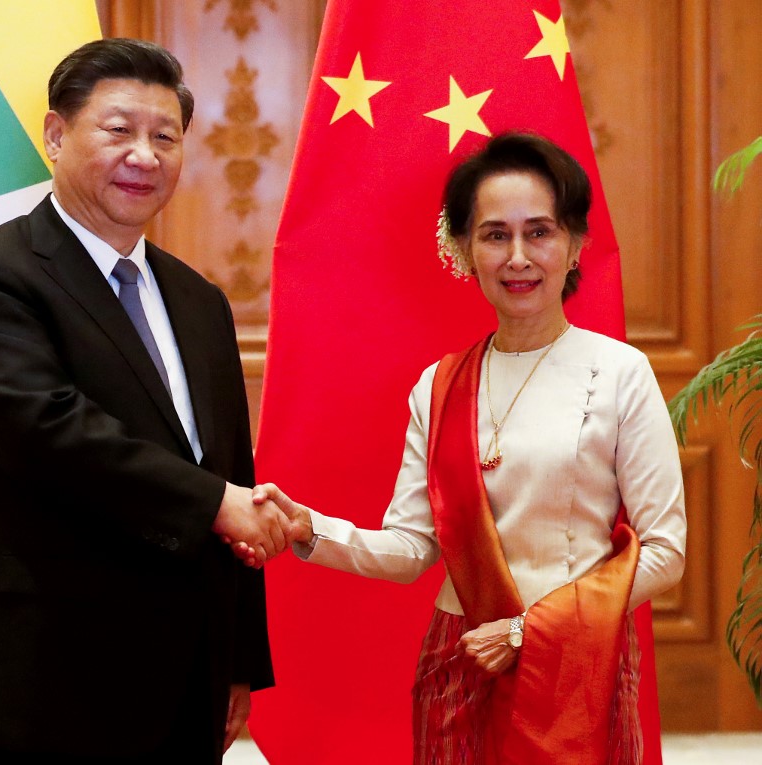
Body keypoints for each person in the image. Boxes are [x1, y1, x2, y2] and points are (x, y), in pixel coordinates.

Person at [248, 132, 687, 764]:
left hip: (574, 662)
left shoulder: (619, 372)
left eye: (539, 232)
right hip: (462, 656)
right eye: (494, 235)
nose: (518, 258)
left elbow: (665, 552)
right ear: (462, 250)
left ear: (574, 245)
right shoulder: (442, 385)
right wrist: (308, 527)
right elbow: (411, 549)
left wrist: (528, 632)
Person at [0, 38, 292, 765]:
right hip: (48, 681)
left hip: (187, 681)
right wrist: (216, 500)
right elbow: (47, 432)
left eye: (166, 136)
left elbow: (230, 470)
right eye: (119, 130)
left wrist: (239, 659)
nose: (145, 156)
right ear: (56, 136)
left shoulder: (200, 300)